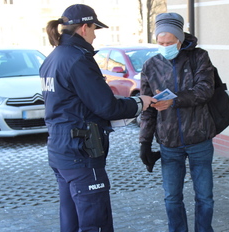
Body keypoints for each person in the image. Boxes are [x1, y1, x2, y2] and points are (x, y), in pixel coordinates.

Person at [39, 4, 157, 232]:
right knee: (96, 223)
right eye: (94, 28)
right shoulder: (78, 59)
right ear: (84, 28)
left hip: (61, 149)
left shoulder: (52, 58)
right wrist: (139, 102)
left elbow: (74, 104)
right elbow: (107, 106)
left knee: (70, 219)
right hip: (81, 152)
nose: (94, 34)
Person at [139, 12, 216, 232]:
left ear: (179, 40)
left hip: (199, 139)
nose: (164, 46)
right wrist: (144, 142)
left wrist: (173, 100)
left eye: (169, 42)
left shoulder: (198, 57)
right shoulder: (150, 66)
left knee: (205, 197)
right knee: (172, 197)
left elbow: (205, 90)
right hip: (168, 143)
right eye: (160, 42)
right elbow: (147, 109)